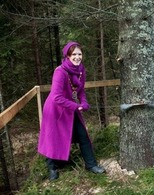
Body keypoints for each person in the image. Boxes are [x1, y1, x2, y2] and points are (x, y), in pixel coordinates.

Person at [38, 41, 105, 180]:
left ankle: (91, 165)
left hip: (69, 107)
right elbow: (56, 97)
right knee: (53, 137)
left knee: (83, 135)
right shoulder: (60, 72)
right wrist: (77, 106)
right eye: (73, 54)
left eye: (79, 54)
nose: (77, 57)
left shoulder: (81, 70)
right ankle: (52, 168)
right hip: (54, 109)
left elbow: (80, 91)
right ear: (67, 56)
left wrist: (84, 102)